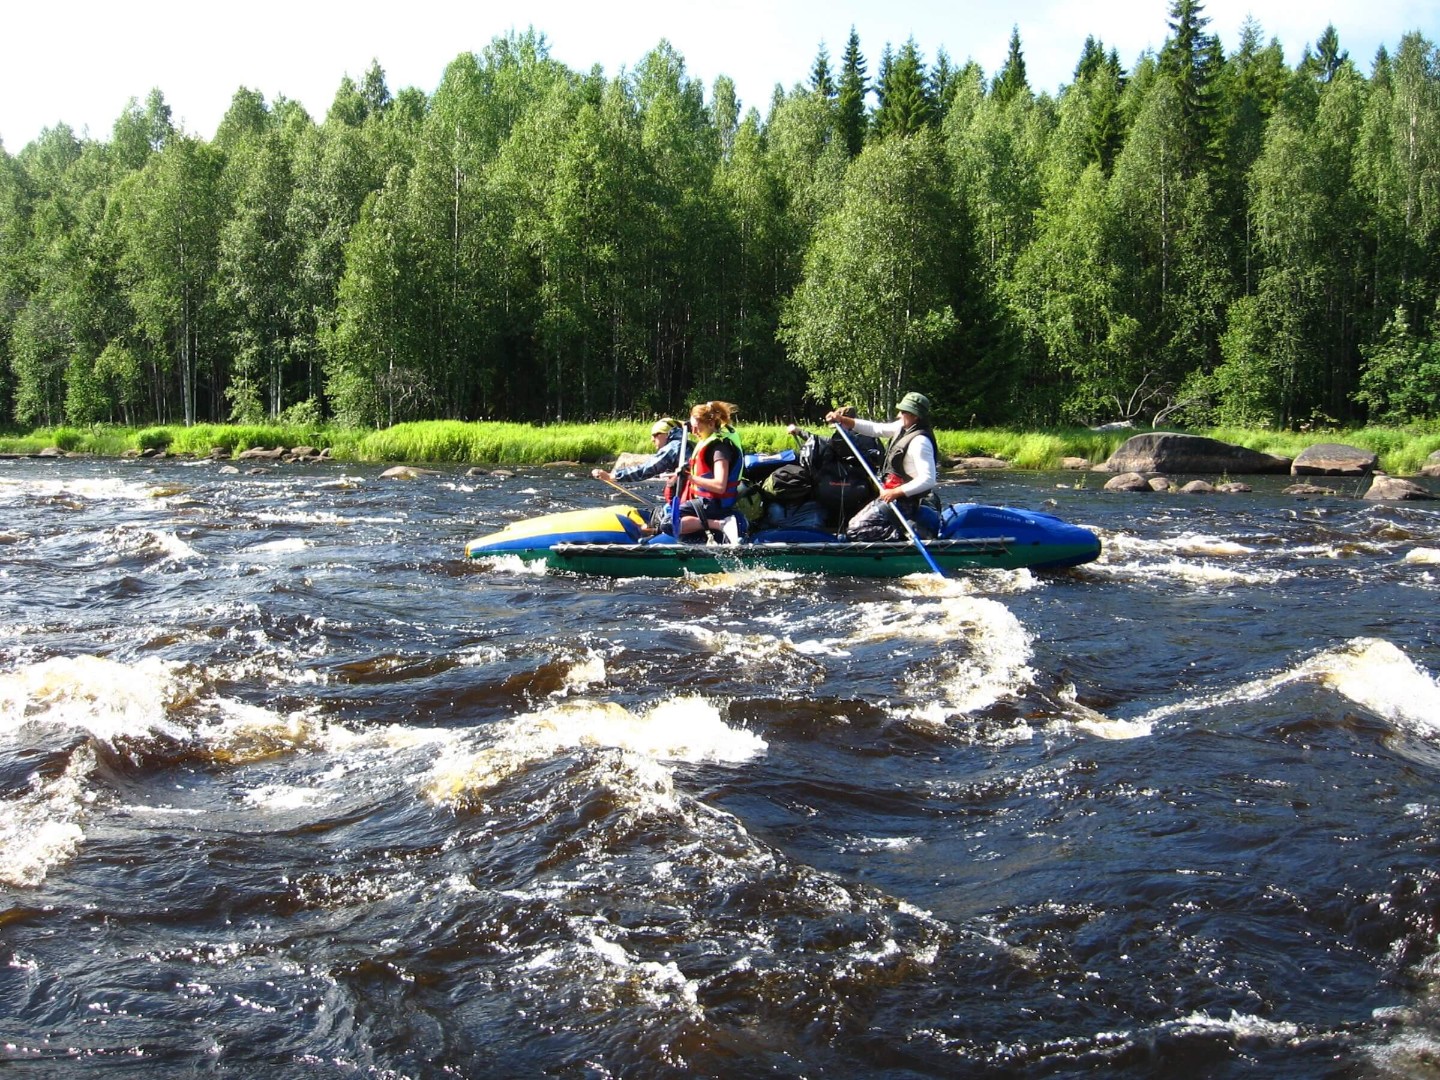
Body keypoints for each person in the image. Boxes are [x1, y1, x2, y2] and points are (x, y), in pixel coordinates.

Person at [826, 391, 939, 541]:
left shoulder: (920, 442)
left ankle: (906, 535)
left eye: (903, 412)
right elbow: (875, 429)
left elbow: (928, 479)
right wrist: (842, 419)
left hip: (905, 502)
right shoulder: (902, 427)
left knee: (855, 531)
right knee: (853, 525)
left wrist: (896, 492)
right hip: (891, 496)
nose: (899, 415)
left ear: (915, 416)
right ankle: (901, 531)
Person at [675, 400, 744, 540]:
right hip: (706, 501)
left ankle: (720, 524)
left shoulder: (719, 449)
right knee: (668, 514)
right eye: (692, 428)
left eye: (697, 428)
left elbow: (720, 486)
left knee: (669, 523)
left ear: (711, 424)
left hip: (714, 504)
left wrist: (690, 478)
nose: (693, 432)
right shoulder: (711, 439)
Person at [591, 417, 684, 486]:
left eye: (655, 435)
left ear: (666, 434)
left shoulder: (674, 447)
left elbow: (647, 468)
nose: (652, 439)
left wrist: (612, 476)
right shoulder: (683, 445)